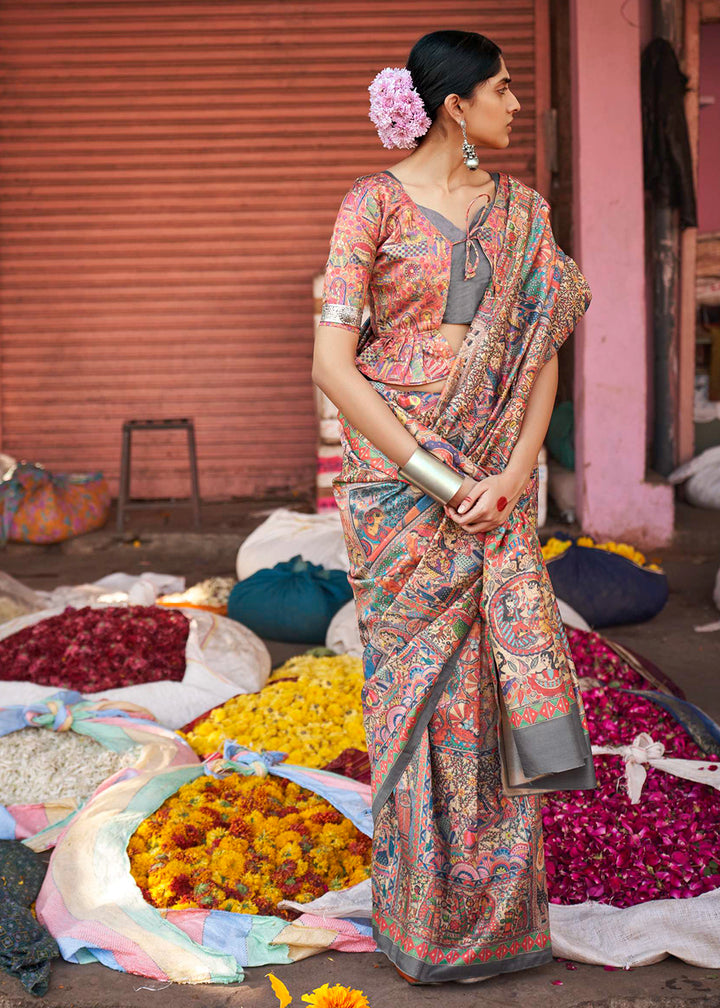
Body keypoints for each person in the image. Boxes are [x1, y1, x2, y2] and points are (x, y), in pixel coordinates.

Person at [312, 29, 597, 986]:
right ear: (454, 107)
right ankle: (424, 921)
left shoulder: (524, 213)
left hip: (497, 485)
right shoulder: (372, 204)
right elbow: (332, 365)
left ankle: (502, 923)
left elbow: (542, 352)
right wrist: (436, 477)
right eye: (503, 89)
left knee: (490, 690)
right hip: (401, 492)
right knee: (418, 695)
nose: (515, 104)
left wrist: (513, 475)